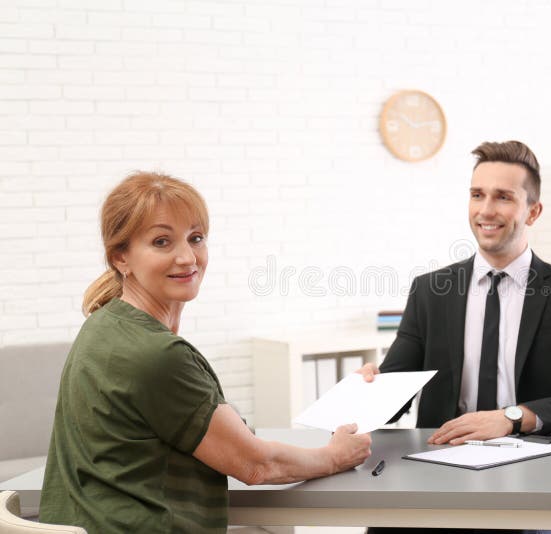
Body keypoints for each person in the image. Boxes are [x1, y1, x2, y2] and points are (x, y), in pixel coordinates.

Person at [39, 172, 371, 534]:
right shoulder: (156, 354)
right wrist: (334, 456)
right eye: (162, 242)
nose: (187, 257)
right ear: (121, 257)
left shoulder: (102, 326)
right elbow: (256, 465)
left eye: (195, 238)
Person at [359, 141, 551, 534]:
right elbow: (393, 395)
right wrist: (370, 390)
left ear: (532, 211)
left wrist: (512, 418)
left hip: (532, 482)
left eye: (503, 197)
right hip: (437, 476)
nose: (485, 210)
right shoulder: (430, 291)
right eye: (477, 195)